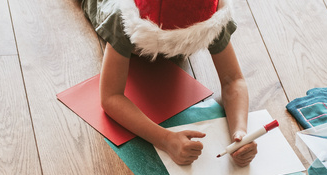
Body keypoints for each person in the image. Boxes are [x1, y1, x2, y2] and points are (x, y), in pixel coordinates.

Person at [83, 0, 258, 166]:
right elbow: (111, 97)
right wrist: (165, 139)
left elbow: (233, 79)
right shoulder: (122, 17)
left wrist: (240, 131)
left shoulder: (212, 15)